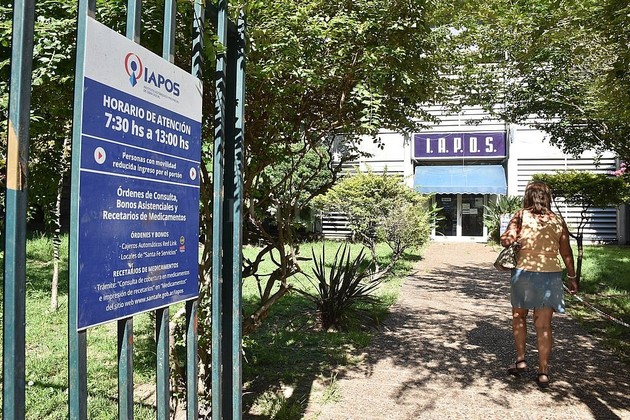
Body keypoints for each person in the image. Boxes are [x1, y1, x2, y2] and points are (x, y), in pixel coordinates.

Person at [499, 181, 578, 388]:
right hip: (550, 275)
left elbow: (506, 239)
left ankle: (521, 360)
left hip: (524, 273)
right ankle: (543, 372)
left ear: (527, 196)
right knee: (543, 325)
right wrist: (572, 277)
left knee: (519, 316)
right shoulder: (558, 220)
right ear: (547, 197)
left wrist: (510, 238)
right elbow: (566, 252)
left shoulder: (520, 215)